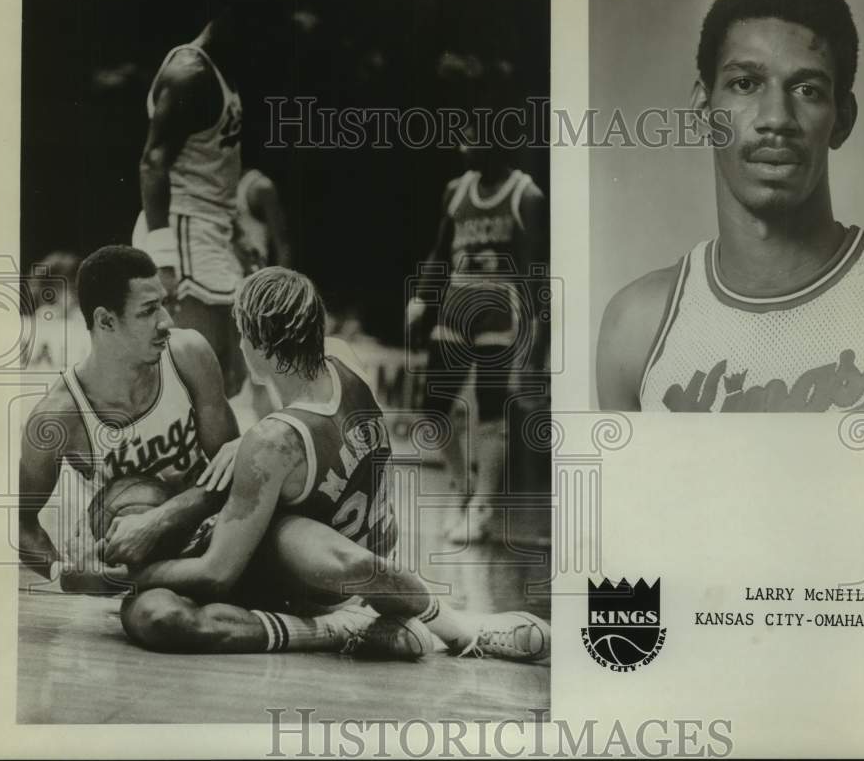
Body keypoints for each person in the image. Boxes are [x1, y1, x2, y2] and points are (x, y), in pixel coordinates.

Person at [118, 267, 551, 662]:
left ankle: (347, 629)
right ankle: (383, 622)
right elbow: (304, 422)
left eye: (244, 336)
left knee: (153, 610)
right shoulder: (343, 358)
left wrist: (124, 576)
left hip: (322, 578)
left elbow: (216, 574)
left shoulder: (274, 442)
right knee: (158, 612)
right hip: (370, 559)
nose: (242, 345)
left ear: (263, 347)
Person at [597, 0, 864, 413]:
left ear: (842, 118)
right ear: (704, 111)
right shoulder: (636, 328)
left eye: (807, 89)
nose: (775, 118)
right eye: (745, 84)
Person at [18, 245, 239, 594]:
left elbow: (232, 474)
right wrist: (65, 573)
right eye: (149, 310)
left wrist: (157, 519)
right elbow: (19, 521)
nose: (166, 321)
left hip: (214, 532)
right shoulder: (58, 416)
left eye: (163, 304)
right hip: (139, 568)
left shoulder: (188, 355)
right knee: (160, 620)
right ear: (106, 321)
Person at [408, 56, 549, 544]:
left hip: (499, 308)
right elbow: (437, 253)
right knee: (434, 408)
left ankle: (484, 505)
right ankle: (462, 487)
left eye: (472, 135)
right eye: (461, 134)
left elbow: (535, 274)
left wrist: (537, 341)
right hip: (455, 305)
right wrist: (422, 300)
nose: (463, 143)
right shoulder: (455, 189)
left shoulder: (525, 194)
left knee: (491, 410)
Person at [133, 0, 289, 399]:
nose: (263, 45)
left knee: (230, 378)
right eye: (261, 30)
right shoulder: (190, 71)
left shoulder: (225, 74)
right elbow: (153, 162)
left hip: (213, 232)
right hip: (181, 230)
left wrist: (238, 235)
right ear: (236, 17)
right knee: (188, 379)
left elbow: (217, 169)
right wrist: (163, 260)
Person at [232, 165, 293, 420]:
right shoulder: (212, 183)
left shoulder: (259, 187)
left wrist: (282, 292)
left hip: (255, 285)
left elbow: (283, 242)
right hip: (226, 279)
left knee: (261, 366)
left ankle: (274, 424)